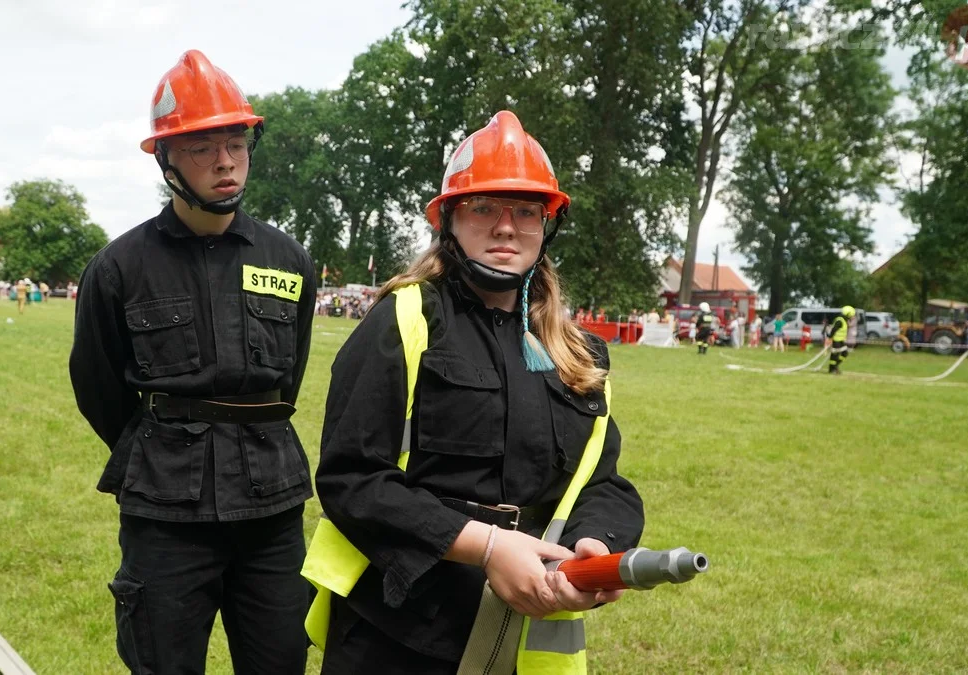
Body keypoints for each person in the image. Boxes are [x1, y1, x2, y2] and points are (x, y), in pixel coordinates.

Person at [304, 111, 643, 674]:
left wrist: (595, 545)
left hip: (522, 634)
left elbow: (602, 483)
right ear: (450, 221)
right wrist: (487, 547)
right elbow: (352, 479)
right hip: (400, 627)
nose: (506, 226)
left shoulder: (581, 353)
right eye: (484, 207)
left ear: (546, 223)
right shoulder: (405, 320)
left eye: (525, 211)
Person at [69, 50, 316, 675]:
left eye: (236, 141)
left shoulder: (288, 260)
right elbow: (98, 385)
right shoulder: (119, 268)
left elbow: (291, 373)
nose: (226, 160)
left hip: (271, 508)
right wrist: (164, 441)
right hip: (166, 511)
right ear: (167, 159)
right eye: (203, 146)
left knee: (281, 661)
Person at [826, 305, 854, 374]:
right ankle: (832, 369)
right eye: (851, 315)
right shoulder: (840, 320)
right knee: (834, 355)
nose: (852, 317)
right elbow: (834, 329)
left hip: (841, 341)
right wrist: (830, 338)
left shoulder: (844, 320)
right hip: (836, 341)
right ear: (847, 314)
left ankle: (835, 366)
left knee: (845, 353)